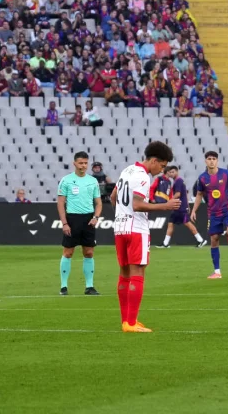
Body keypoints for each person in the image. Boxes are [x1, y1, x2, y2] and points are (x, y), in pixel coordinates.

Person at [111, 141, 180, 332]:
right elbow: (138, 205)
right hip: (136, 229)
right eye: (162, 166)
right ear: (155, 161)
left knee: (124, 274)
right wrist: (164, 206)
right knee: (137, 273)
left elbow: (113, 197)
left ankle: (126, 321)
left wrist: (120, 214)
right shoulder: (143, 176)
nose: (162, 170)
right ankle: (131, 323)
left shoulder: (127, 170)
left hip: (120, 228)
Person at [56, 151, 103, 295]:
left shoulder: (93, 181)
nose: (83, 166)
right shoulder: (66, 180)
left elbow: (99, 203)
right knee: (68, 252)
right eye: (81, 163)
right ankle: (63, 286)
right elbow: (60, 203)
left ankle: (89, 286)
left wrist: (96, 217)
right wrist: (64, 223)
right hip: (72, 219)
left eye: (85, 163)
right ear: (74, 163)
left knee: (89, 252)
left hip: (88, 219)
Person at [190, 150, 228, 278]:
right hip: (213, 213)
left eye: (214, 159)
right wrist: (194, 210)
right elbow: (199, 195)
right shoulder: (202, 178)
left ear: (217, 161)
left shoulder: (226, 174)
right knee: (214, 240)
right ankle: (217, 272)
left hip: (227, 209)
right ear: (205, 161)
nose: (211, 161)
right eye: (209, 158)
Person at [153, 164, 206, 248]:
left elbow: (178, 194)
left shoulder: (178, 181)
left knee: (187, 223)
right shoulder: (178, 181)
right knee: (170, 224)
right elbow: (185, 194)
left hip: (180, 207)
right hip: (177, 207)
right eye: (170, 172)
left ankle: (201, 240)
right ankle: (165, 243)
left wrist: (169, 201)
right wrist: (188, 205)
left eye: (173, 172)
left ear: (177, 172)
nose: (171, 174)